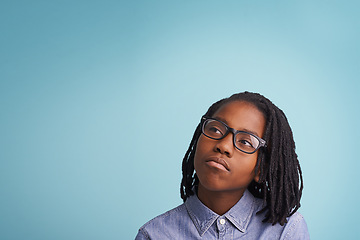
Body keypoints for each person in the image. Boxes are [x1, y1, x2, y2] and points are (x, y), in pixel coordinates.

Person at [135, 91, 310, 239]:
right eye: (216, 129)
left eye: (245, 142)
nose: (224, 146)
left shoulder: (286, 231)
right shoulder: (153, 234)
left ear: (261, 169)